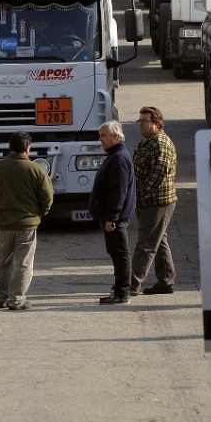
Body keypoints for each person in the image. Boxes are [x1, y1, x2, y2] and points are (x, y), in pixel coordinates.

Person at [0, 132, 54, 311]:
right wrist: (38, 214)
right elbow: (47, 198)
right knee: (23, 263)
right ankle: (17, 299)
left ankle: (2, 297)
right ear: (28, 148)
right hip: (26, 225)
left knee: (2, 262)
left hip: (2, 223)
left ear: (10, 147)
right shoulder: (36, 169)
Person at [129, 107, 178, 296]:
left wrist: (136, 195)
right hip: (148, 202)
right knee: (159, 241)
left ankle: (131, 285)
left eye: (145, 121)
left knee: (146, 245)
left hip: (157, 203)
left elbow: (157, 176)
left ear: (157, 124)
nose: (140, 124)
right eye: (139, 120)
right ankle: (166, 280)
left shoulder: (161, 144)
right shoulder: (148, 141)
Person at [89, 120, 135, 305]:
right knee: (116, 254)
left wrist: (112, 218)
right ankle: (119, 289)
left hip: (115, 219)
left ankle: (123, 293)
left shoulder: (118, 159)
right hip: (111, 217)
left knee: (121, 254)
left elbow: (119, 192)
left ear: (116, 137)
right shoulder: (114, 155)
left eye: (103, 136)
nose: (100, 140)